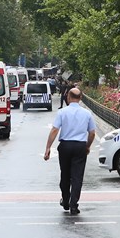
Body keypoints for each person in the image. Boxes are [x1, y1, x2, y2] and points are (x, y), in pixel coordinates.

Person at [43, 87, 96, 215]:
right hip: (80, 147)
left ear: (68, 97)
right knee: (77, 177)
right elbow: (92, 133)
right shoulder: (87, 113)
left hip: (65, 146)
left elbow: (54, 130)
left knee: (65, 175)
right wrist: (87, 146)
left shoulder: (62, 112)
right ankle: (74, 205)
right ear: (81, 98)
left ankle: (65, 200)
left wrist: (48, 148)